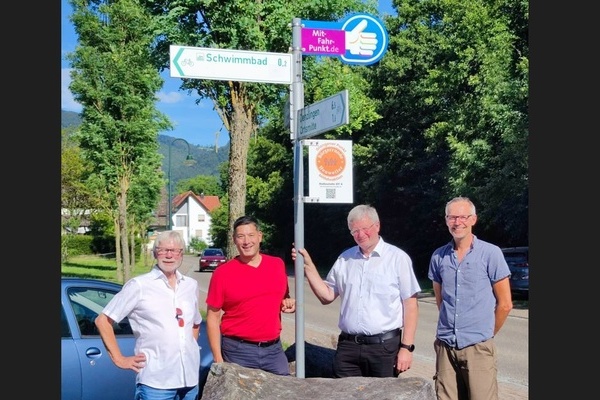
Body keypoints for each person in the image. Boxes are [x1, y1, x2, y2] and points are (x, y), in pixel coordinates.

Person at [292, 204, 421, 378]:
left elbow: (411, 306)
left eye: (364, 229)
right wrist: (308, 266)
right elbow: (327, 295)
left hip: (384, 348)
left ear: (377, 226)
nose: (360, 235)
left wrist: (406, 348)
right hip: (348, 348)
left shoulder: (397, 259)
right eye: (354, 231)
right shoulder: (345, 259)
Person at [95, 230, 203, 400]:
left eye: (174, 250)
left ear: (181, 254)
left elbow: (195, 323)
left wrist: (186, 348)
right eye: (163, 250)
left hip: (189, 381)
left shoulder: (191, 285)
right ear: (155, 253)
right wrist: (119, 359)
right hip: (156, 383)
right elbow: (103, 321)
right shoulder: (139, 285)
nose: (169, 255)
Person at [428, 196, 513, 400]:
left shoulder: (491, 254)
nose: (458, 222)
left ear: (473, 219)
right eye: (452, 217)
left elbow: (505, 304)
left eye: (463, 217)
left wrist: (485, 334)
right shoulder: (438, 256)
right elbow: (441, 302)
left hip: (478, 348)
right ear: (446, 220)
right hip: (446, 347)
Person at [205, 215, 296, 375]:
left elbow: (283, 298)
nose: (246, 241)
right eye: (241, 236)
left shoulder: (277, 265)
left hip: (273, 350)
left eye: (251, 235)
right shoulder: (222, 273)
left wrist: (288, 303)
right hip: (237, 351)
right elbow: (213, 318)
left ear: (260, 236)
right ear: (234, 240)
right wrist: (218, 359)